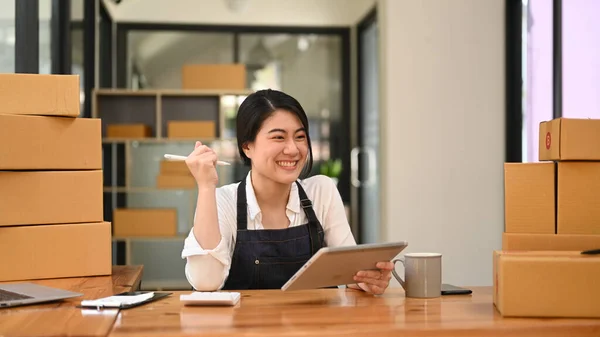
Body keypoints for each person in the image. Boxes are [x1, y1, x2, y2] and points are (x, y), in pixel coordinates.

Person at [181, 89, 393, 294]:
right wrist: (206, 187)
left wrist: (368, 280)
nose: (293, 149)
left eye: (300, 137)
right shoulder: (223, 201)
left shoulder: (322, 191)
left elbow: (351, 275)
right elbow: (205, 282)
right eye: (279, 138)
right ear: (247, 146)